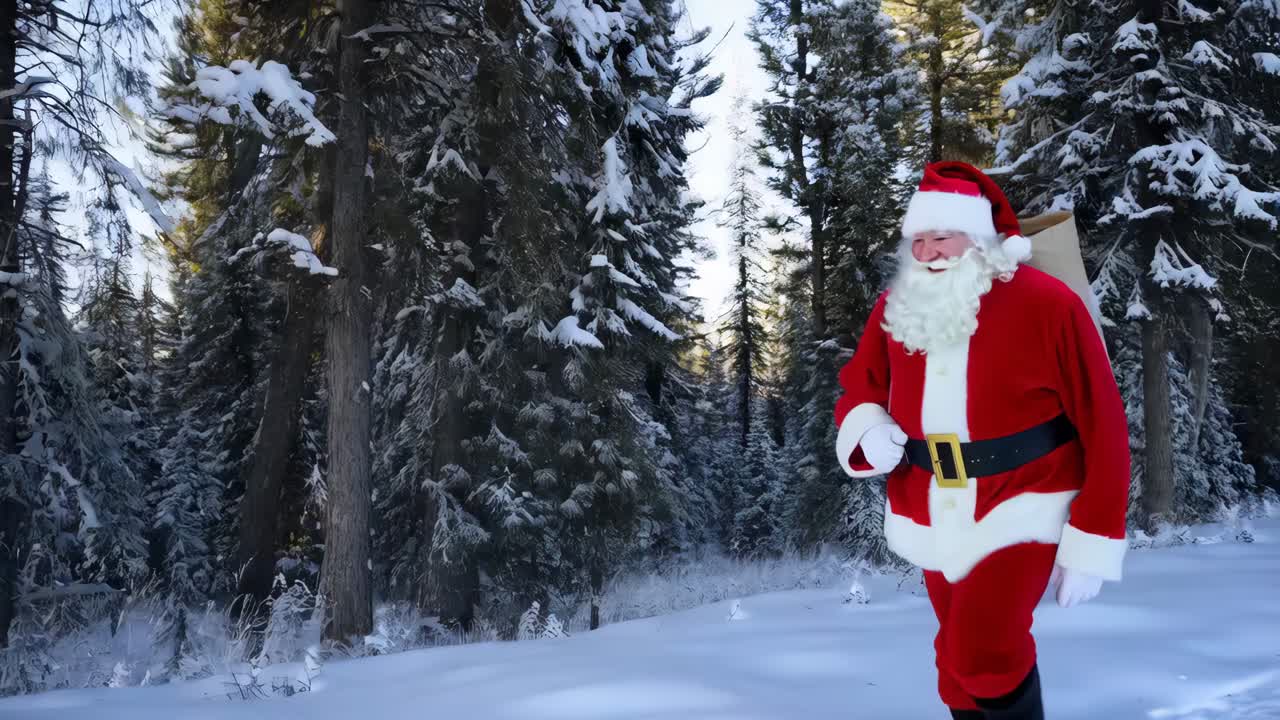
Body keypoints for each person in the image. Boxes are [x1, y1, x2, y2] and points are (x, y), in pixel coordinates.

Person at [833, 161, 1131, 719]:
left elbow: (1104, 421)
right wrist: (866, 428)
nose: (927, 253)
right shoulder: (895, 309)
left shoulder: (1046, 303)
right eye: (917, 240)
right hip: (929, 508)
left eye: (941, 236)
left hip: (1025, 502)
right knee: (956, 663)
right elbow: (859, 387)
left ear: (980, 237)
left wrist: (1094, 533)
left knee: (985, 653)